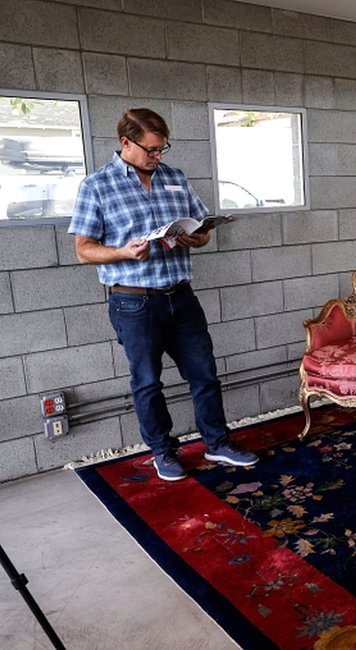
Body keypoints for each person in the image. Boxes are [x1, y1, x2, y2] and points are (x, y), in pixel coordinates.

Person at [68, 108, 258, 481]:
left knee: (205, 374)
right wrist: (123, 252)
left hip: (181, 296)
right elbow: (83, 249)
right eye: (151, 149)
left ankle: (217, 443)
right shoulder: (97, 185)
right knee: (147, 382)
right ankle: (163, 452)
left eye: (162, 149)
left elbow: (202, 230)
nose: (158, 156)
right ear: (126, 142)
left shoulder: (175, 178)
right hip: (133, 302)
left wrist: (197, 237)